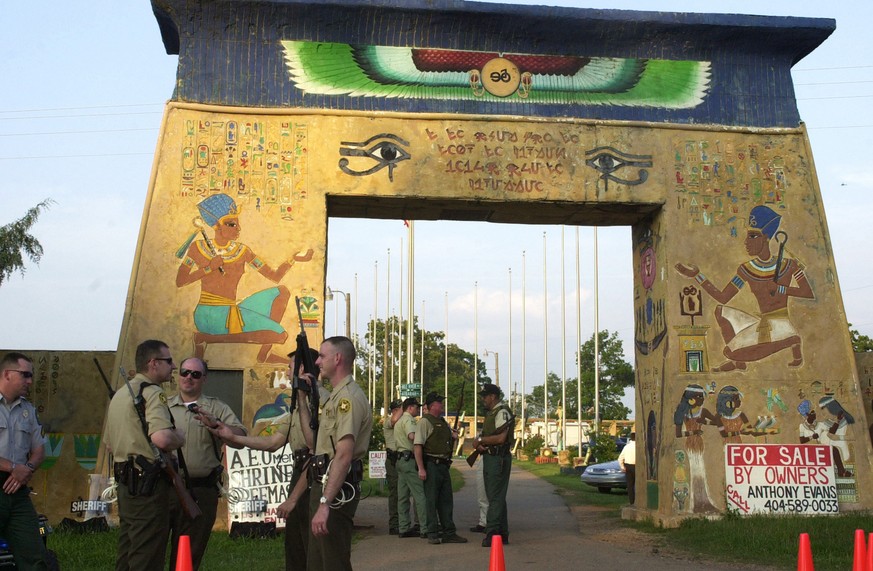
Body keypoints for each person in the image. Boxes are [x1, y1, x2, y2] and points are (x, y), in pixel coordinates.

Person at [210, 349, 323, 570]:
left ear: (301, 369)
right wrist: (233, 437)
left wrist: (292, 499)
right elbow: (274, 442)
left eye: (290, 367)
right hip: (299, 472)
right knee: (295, 544)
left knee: (313, 548)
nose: (287, 372)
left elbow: (315, 450)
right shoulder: (297, 408)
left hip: (315, 475)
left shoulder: (320, 404)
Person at [175, 193, 314, 364]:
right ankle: (206, 338)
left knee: (282, 292)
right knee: (279, 335)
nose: (238, 228)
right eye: (232, 224)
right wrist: (208, 268)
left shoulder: (242, 251)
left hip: (232, 309)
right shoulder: (198, 247)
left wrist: (294, 259)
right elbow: (180, 281)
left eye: (237, 224)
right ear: (217, 226)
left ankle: (263, 355)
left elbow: (274, 276)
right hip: (209, 314)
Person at [675, 205, 814, 372]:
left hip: (779, 324)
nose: (747, 242)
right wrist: (697, 276)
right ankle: (738, 363)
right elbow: (723, 297)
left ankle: (790, 339)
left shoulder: (788, 265)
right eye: (748, 236)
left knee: (729, 352)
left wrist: (782, 289)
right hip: (761, 322)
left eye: (753, 236)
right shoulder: (747, 269)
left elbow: (807, 292)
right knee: (720, 311)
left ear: (767, 238)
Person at [104, 340, 185, 570]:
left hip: (125, 483)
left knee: (128, 548)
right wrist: (179, 436)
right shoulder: (151, 393)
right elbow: (161, 438)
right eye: (168, 361)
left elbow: (110, 445)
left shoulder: (120, 396)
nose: (173, 366)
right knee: (147, 554)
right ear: (153, 363)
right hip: (147, 486)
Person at [297, 336, 372, 571]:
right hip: (326, 483)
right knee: (318, 561)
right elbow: (317, 442)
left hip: (336, 490)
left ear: (337, 358)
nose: (318, 361)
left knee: (332, 562)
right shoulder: (337, 397)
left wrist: (324, 503)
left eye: (322, 356)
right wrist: (309, 390)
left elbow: (343, 455)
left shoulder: (347, 399)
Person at [167, 357, 247, 570]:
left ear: (204, 379)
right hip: (164, 489)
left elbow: (240, 437)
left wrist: (218, 425)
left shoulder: (216, 408)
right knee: (152, 549)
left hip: (201, 490)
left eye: (195, 374)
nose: (188, 378)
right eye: (184, 372)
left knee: (189, 554)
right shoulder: (163, 407)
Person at [0, 352, 49, 569]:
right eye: (25, 375)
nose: (30, 381)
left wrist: (25, 469)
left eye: (31, 376)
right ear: (7, 374)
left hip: (18, 490)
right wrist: (12, 468)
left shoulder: (28, 410)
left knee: (35, 556)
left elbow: (39, 450)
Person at [415, 392, 467, 545]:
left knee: (446, 500)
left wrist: (453, 438)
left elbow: (446, 442)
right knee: (431, 500)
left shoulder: (442, 422)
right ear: (432, 406)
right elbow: (418, 446)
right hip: (431, 464)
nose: (442, 405)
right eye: (439, 403)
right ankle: (432, 532)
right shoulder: (425, 422)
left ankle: (449, 532)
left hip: (443, 465)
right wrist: (421, 468)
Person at [472, 383, 513, 547]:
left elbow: (501, 439)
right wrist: (482, 445)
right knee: (496, 496)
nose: (483, 399)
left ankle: (492, 532)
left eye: (485, 396)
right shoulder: (493, 413)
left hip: (498, 458)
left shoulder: (502, 412)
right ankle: (502, 533)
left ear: (493, 396)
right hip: (491, 456)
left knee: (495, 497)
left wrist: (481, 440)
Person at [395, 396, 427, 539]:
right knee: (419, 494)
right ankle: (425, 527)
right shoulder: (409, 420)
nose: (418, 409)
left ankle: (403, 527)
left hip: (400, 459)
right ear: (410, 408)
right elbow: (412, 436)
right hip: (409, 460)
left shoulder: (399, 420)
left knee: (402, 496)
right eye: (416, 407)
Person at [383, 399, 403, 535]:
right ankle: (394, 524)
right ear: (395, 410)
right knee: (395, 492)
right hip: (392, 459)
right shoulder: (389, 421)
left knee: (404, 493)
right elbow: (394, 420)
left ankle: (403, 522)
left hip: (402, 458)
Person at [617, 432, 637, 505]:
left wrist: (622, 467)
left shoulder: (626, 447)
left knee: (630, 485)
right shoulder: (639, 446)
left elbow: (620, 458)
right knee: (638, 484)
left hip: (628, 466)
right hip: (637, 466)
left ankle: (632, 501)